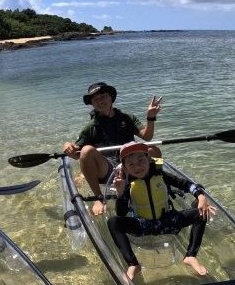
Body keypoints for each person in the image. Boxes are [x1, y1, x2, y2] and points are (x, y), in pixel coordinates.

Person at [107, 142, 217, 281]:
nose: (137, 167)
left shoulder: (161, 175)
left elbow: (186, 184)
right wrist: (121, 192)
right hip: (143, 225)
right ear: (125, 168)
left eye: (141, 161)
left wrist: (201, 197)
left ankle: (190, 256)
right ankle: (133, 264)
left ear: (148, 159)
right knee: (113, 222)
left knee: (201, 212)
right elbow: (121, 213)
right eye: (131, 164)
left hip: (168, 222)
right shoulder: (126, 183)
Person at [62, 82, 163, 216]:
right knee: (86, 150)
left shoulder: (126, 118)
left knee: (153, 150)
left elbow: (147, 136)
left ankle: (157, 182)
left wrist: (150, 117)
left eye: (103, 96)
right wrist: (66, 145)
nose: (100, 101)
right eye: (95, 99)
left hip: (130, 162)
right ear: (92, 104)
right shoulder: (91, 127)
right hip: (108, 169)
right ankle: (98, 197)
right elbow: (77, 154)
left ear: (111, 97)